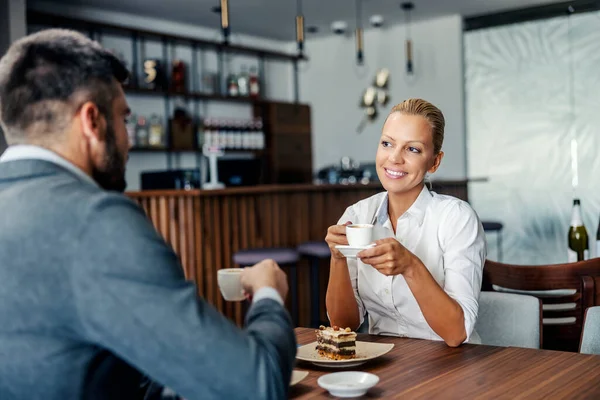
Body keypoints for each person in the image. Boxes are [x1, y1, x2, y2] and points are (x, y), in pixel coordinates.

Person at [0, 29, 296, 399]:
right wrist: (269, 295)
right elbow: (255, 386)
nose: (129, 140)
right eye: (124, 119)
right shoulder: (97, 221)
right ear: (92, 121)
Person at [325, 99, 486, 347]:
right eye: (387, 144)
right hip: (385, 362)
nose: (395, 158)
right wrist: (338, 259)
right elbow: (343, 326)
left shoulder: (457, 219)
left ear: (434, 161)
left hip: (451, 363)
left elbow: (456, 334)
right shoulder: (356, 216)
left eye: (413, 149)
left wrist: (410, 266)